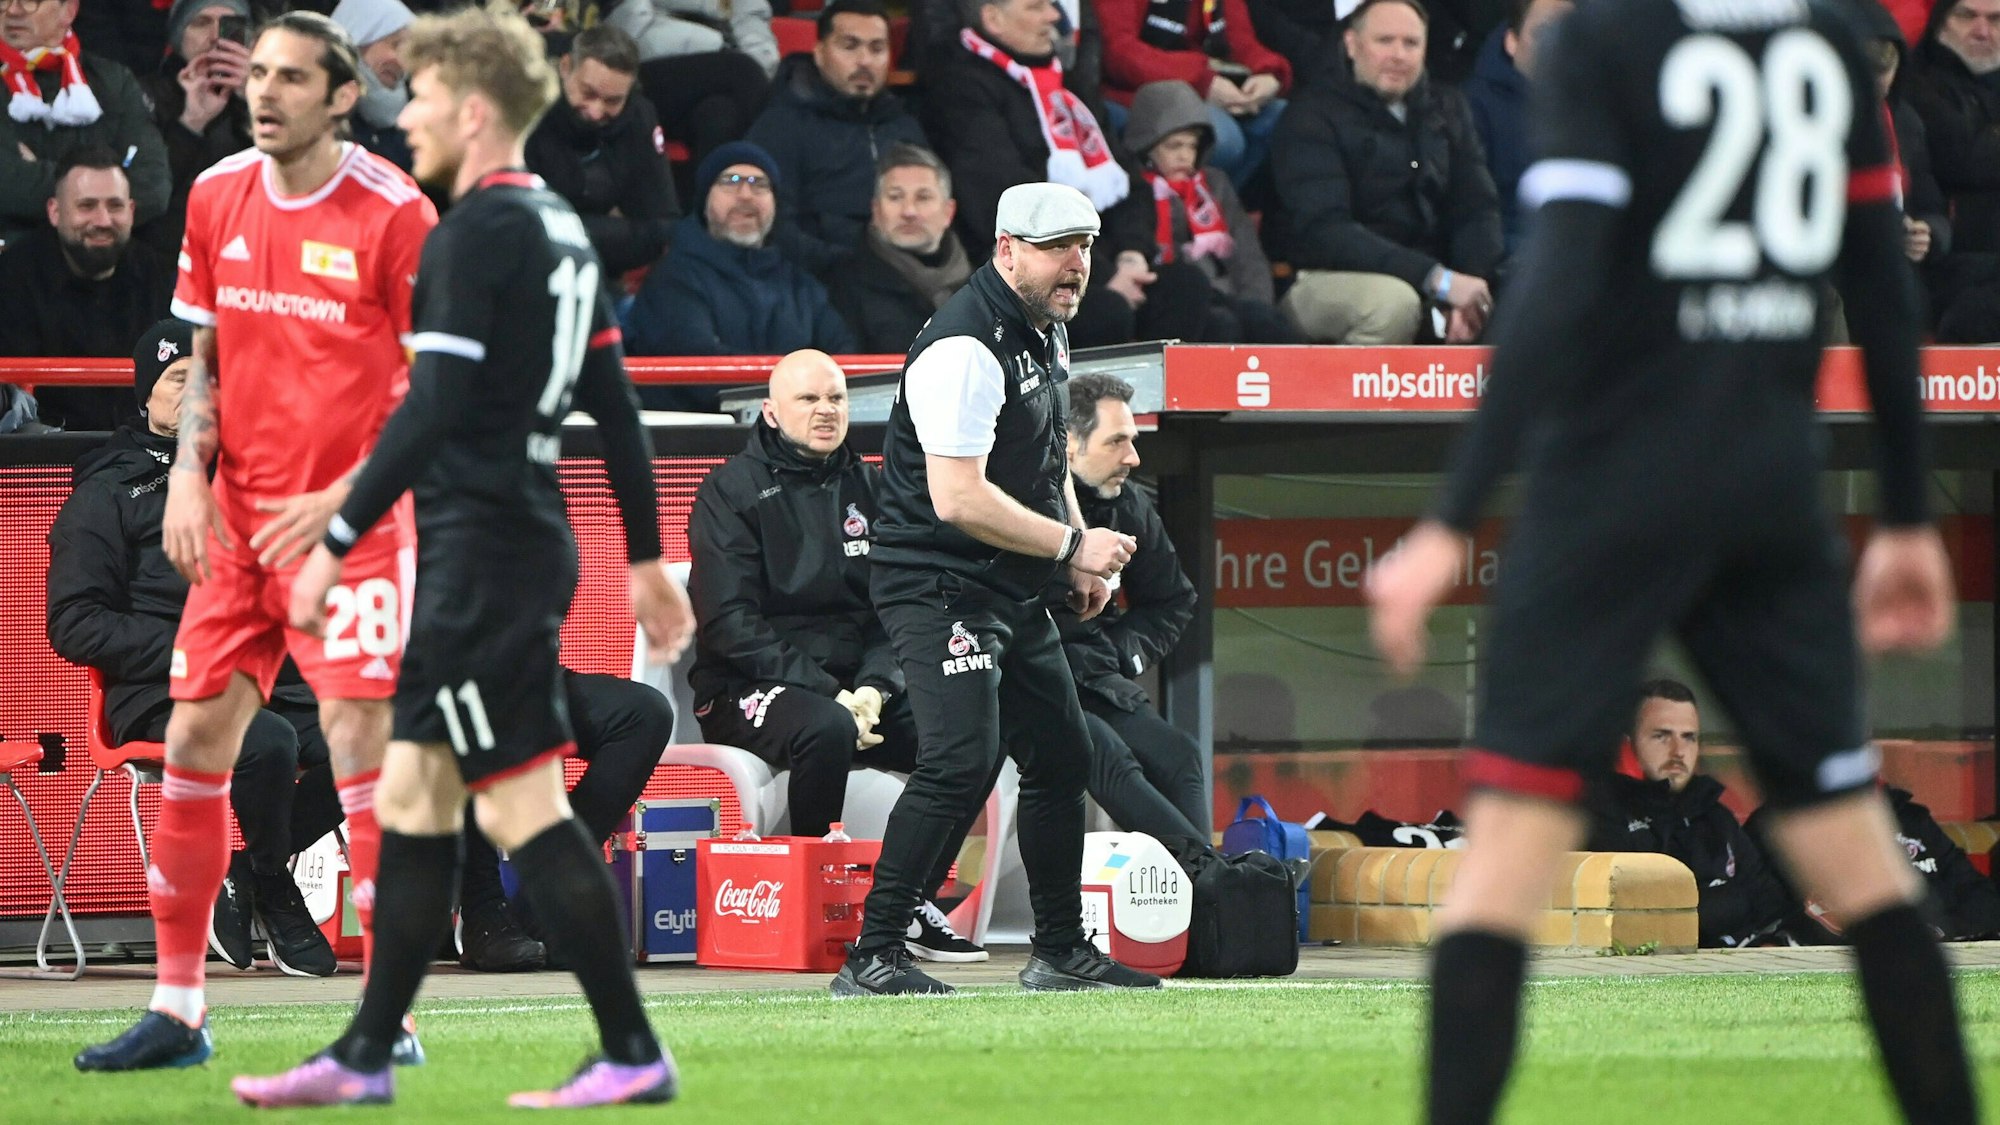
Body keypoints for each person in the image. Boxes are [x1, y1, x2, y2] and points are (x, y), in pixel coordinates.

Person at [1363, 0, 1978, 1115]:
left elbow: (1554, 291)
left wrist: (1447, 519)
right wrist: (1900, 516)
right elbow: (1882, 291)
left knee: (1500, 866)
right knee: (1860, 867)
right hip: (1766, 493)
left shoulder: (1606, 38)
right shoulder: (1829, 48)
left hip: (1610, 488)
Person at [234, 5, 694, 1107]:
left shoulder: (473, 232)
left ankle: (630, 1048)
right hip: (517, 539)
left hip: (481, 549)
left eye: (427, 96)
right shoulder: (563, 227)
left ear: (476, 109)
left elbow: (431, 405)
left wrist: (336, 539)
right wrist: (639, 559)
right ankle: (366, 1052)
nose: (410, 116)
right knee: (414, 798)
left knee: (519, 807)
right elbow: (617, 411)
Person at [74, 10, 437, 1075]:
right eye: (257, 76)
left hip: (354, 527)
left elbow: (435, 394)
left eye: (290, 78)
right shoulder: (216, 192)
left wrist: (336, 507)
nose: (263, 93)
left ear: (341, 96)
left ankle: (390, 1020)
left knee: (363, 761)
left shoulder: (395, 212)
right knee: (193, 748)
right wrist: (189, 476)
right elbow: (208, 359)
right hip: (236, 523)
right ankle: (179, 1011)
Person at [833, 181, 1161, 997]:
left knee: (1062, 754)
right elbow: (959, 498)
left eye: (1085, 247)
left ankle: (1058, 950)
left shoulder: (1044, 331)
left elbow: (1049, 462)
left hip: (1010, 583)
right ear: (1005, 249)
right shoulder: (964, 346)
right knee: (962, 759)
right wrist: (1072, 545)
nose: (1076, 265)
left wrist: (1073, 560)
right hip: (935, 579)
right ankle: (871, 955)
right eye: (1057, 248)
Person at [46, 318, 343, 978]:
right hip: (162, 687)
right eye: (180, 378)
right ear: (146, 393)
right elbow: (73, 624)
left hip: (264, 674)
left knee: (378, 737)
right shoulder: (107, 490)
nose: (198, 393)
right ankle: (274, 882)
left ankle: (250, 872)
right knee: (268, 741)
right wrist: (189, 648)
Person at [687, 348, 988, 962]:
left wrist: (877, 686)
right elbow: (727, 623)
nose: (826, 410)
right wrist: (832, 694)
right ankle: (815, 905)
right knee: (824, 729)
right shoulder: (731, 491)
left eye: (836, 398)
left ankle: (907, 901)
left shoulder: (872, 487)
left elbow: (897, 605)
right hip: (746, 687)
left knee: (971, 733)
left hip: (859, 692)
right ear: (770, 412)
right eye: (808, 399)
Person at [923, 0, 1227, 347]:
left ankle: (1145, 403)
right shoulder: (962, 88)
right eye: (1035, 8)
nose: (1054, 16)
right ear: (993, 18)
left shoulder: (1067, 84)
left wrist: (1132, 255)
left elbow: (1130, 183)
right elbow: (1003, 201)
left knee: (1187, 288)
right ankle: (1097, 402)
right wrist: (1102, 272)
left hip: (1101, 259)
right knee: (1105, 312)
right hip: (1024, 267)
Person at [1271, 0, 1502, 345]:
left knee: (1527, 294)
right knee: (1392, 304)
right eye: (1384, 41)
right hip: (1324, 276)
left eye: (1411, 43)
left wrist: (1470, 286)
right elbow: (1326, 231)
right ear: (1351, 44)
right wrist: (1436, 279)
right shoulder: (1311, 115)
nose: (1399, 54)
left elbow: (1477, 209)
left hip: (1429, 275)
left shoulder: (1448, 108)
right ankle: (1343, 401)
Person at [1054, 373, 1207, 841]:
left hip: (1096, 675)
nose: (1133, 457)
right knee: (1109, 756)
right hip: (1030, 679)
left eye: (1133, 440)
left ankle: (1206, 901)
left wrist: (1122, 653)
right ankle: (1213, 880)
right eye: (1117, 441)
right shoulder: (1025, 504)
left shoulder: (1129, 503)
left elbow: (1172, 600)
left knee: (1179, 754)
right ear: (1070, 445)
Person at [1586, 679, 1792, 948]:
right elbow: (1644, 918)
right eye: (1661, 736)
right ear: (1628, 742)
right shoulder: (1601, 812)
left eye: (1689, 737)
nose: (1678, 751)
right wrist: (1727, 900)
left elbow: (1768, 902)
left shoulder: (1715, 815)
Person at [622, 140, 856, 372]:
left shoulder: (800, 285)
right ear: (704, 200)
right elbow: (699, 366)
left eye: (759, 184)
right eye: (730, 182)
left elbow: (844, 352)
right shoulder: (673, 278)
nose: (746, 195)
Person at [744, 0, 929, 274]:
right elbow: (771, 226)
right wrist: (851, 267)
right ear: (819, 52)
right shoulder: (781, 125)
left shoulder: (904, 126)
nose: (865, 60)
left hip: (903, 278)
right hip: (820, 281)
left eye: (877, 48)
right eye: (850, 46)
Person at [0, 147, 173, 431]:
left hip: (141, 453)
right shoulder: (10, 279)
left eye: (115, 206)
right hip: (42, 457)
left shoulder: (159, 275)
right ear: (55, 212)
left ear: (131, 211)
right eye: (87, 206)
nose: (103, 221)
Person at [1121, 80, 1299, 343]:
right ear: (1146, 146)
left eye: (1192, 146)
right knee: (1221, 325)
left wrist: (1256, 305)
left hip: (1226, 294)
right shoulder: (1128, 187)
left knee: (1267, 324)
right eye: (1174, 146)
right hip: (1170, 301)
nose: (1186, 157)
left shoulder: (1214, 184)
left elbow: (1248, 257)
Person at [0, 0, 170, 245]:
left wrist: (38, 174)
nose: (13, 11)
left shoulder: (114, 82)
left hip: (101, 264)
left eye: (30, 1)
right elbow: (7, 186)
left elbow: (152, 187)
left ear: (68, 10)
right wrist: (109, 188)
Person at [524, 24, 681, 282]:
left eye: (612, 101)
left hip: (600, 275)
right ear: (565, 68)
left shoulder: (639, 117)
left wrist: (570, 226)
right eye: (588, 93)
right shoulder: (529, 106)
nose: (596, 111)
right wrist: (616, 228)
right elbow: (522, 228)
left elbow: (662, 226)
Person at [1097, 0, 1291, 189]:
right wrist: (1201, 81)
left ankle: (1216, 208)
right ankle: (1175, 208)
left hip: (1202, 87)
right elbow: (1118, 52)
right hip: (1134, 94)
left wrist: (1269, 74)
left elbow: (1239, 41)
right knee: (1223, 139)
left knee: (1280, 117)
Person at [829, 143, 975, 353]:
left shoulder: (984, 285)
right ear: (876, 210)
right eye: (895, 197)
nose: (909, 211)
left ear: (948, 212)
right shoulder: (842, 287)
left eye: (923, 197)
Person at [137, 0, 252, 259]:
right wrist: (190, 124)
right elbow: (146, 193)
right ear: (179, 37)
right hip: (167, 250)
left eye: (230, 26)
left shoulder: (268, 98)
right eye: (201, 23)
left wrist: (255, 97)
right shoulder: (144, 94)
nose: (215, 38)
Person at [606, 0, 774, 168]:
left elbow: (753, 22)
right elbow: (633, 30)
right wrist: (715, 45)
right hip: (641, 70)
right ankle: (764, 179)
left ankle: (704, 192)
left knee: (719, 115)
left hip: (721, 77)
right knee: (744, 71)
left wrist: (759, 56)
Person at [1462, 0, 1571, 257]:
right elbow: (1473, 219)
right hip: (1515, 262)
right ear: (1511, 41)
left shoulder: (1601, 105)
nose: (1555, 46)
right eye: (1542, 32)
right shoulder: (1472, 108)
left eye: (1566, 34)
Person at [1902, 0, 2000, 255]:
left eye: (1996, 19)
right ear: (1941, 21)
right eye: (1966, 16)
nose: (1982, 31)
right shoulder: (1915, 82)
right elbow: (1966, 160)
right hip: (1952, 268)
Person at [330, 0, 416, 168]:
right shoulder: (323, 114)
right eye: (395, 44)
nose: (402, 62)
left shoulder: (411, 122)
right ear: (358, 36)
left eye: (409, 53)